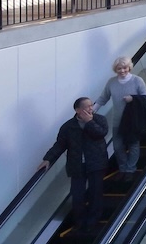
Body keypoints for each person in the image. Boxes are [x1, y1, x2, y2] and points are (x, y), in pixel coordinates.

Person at [37, 97, 108, 235]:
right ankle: (79, 222)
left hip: (96, 164)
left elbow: (100, 134)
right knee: (77, 196)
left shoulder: (99, 120)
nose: (91, 108)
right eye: (87, 106)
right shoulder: (68, 126)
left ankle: (92, 221)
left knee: (95, 193)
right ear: (77, 110)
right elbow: (60, 145)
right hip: (77, 165)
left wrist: (89, 122)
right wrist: (48, 159)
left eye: (91, 105)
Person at [95, 55, 146, 180]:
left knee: (133, 145)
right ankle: (123, 168)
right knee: (117, 146)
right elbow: (103, 97)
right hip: (117, 120)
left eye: (125, 68)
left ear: (129, 67)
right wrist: (92, 109)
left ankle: (130, 169)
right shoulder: (112, 82)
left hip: (133, 120)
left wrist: (132, 98)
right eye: (119, 68)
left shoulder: (137, 80)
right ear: (116, 69)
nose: (122, 71)